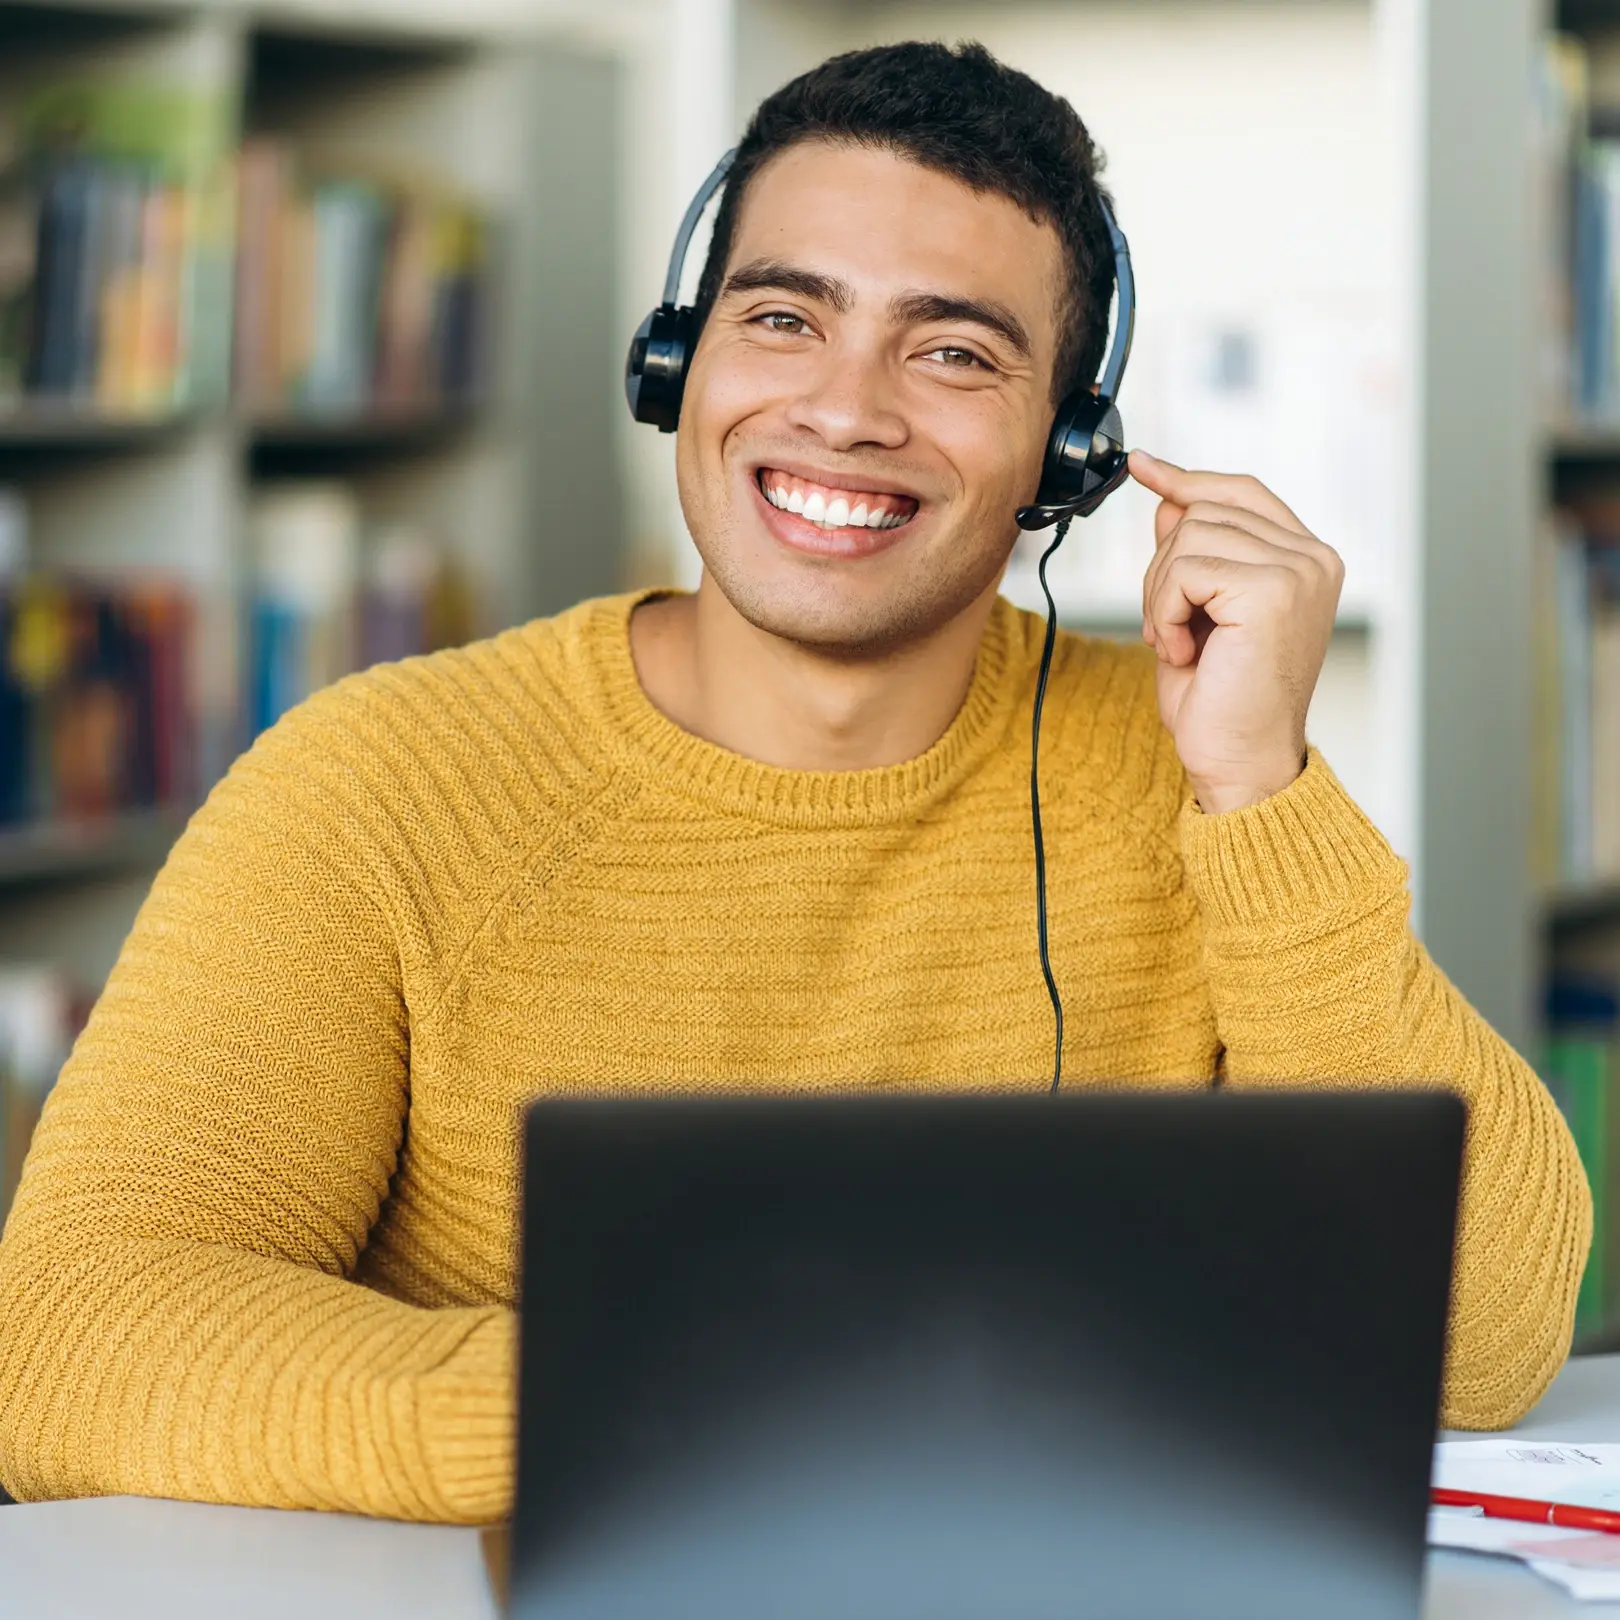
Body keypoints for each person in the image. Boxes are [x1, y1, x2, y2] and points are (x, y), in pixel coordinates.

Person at [0, 40, 1588, 1525]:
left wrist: (1257, 787)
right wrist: (677, 1417)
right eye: (781, 316)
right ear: (675, 364)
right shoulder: (379, 782)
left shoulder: (1204, 778)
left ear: (1066, 453)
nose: (845, 406)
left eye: (954, 350)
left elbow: (1489, 1341)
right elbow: (74, 1331)